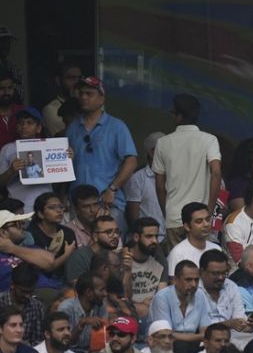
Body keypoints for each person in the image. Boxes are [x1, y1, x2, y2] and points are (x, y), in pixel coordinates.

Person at [64, 75, 138, 222]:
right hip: (77, 202)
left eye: (89, 94)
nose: (84, 97)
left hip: (106, 200)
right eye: (81, 93)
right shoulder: (72, 128)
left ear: (102, 98)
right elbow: (64, 164)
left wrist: (113, 189)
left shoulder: (117, 126)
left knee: (112, 243)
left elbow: (132, 161)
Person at [151, 94, 221, 245]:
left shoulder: (163, 143)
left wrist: (167, 212)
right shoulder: (209, 140)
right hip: (200, 218)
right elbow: (216, 173)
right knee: (202, 264)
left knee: (178, 265)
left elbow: (159, 185)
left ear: (178, 116)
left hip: (174, 217)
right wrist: (208, 210)